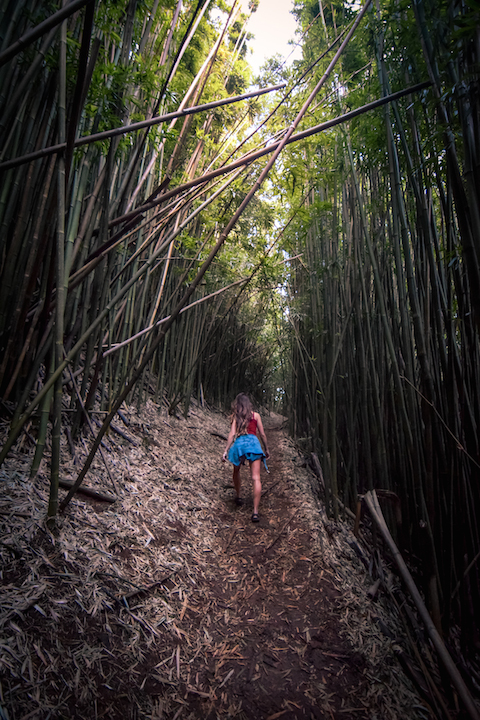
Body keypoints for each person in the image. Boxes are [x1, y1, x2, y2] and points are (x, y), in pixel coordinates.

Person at [222, 393, 270, 523]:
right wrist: (266, 449)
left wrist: (226, 450)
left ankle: (238, 496)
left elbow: (232, 434)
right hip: (253, 444)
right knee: (256, 478)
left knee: (236, 470)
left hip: (240, 445)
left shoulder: (236, 417)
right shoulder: (256, 416)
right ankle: (255, 512)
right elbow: (262, 434)